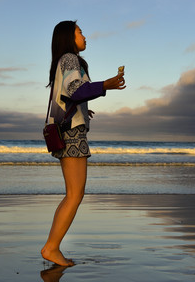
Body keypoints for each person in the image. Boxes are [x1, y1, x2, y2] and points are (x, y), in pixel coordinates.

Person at [41, 20, 126, 267]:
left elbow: (66, 95)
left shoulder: (64, 60)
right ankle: (51, 248)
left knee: (72, 194)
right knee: (74, 195)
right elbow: (75, 90)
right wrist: (106, 85)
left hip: (66, 131)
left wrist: (80, 109)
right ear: (69, 37)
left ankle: (52, 247)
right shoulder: (70, 59)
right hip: (72, 134)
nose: (84, 36)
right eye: (80, 32)